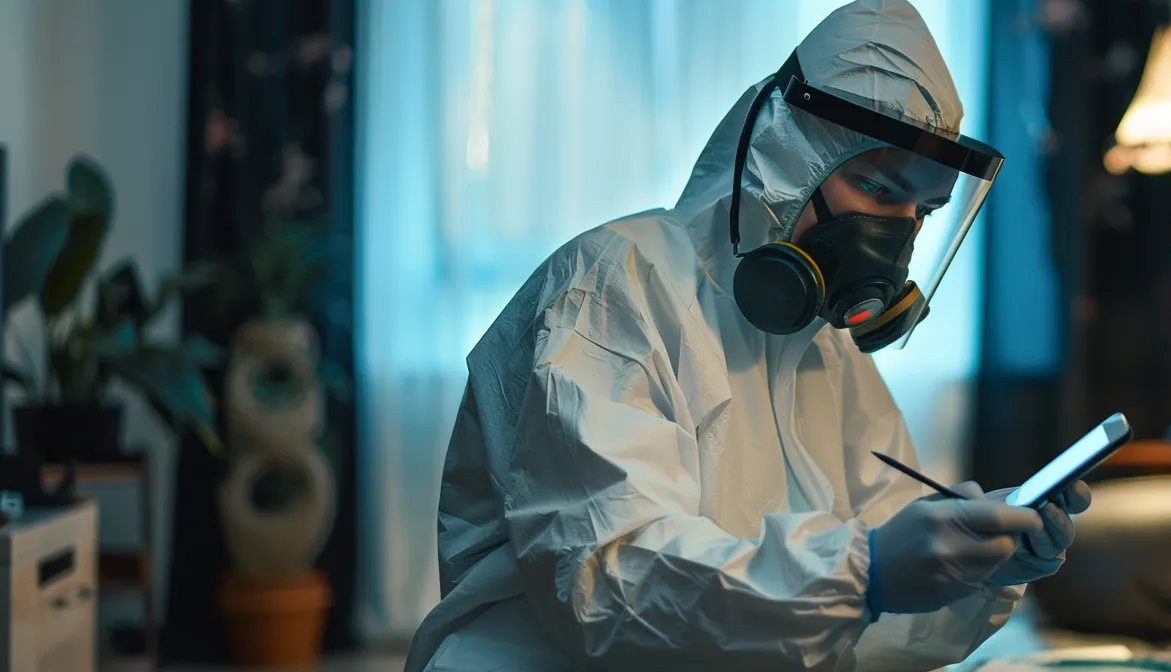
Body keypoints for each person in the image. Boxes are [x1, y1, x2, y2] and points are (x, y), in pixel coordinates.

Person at [404, 1, 1092, 670]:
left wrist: (980, 568)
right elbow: (608, 587)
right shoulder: (611, 288)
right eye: (881, 190)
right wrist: (866, 572)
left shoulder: (823, 348)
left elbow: (870, 629)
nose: (900, 233)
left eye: (924, 210)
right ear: (793, 157)